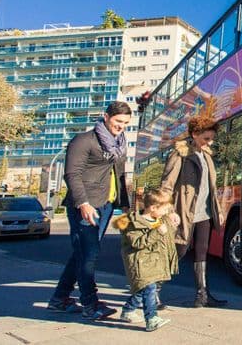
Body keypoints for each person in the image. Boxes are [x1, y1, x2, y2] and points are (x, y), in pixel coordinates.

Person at [47, 101, 131, 319]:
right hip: (86, 205)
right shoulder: (84, 141)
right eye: (118, 121)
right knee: (89, 255)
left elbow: (121, 176)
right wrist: (83, 203)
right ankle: (90, 304)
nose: (121, 126)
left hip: (107, 204)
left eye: (125, 123)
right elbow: (72, 174)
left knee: (82, 253)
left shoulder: (119, 144)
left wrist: (125, 205)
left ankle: (59, 299)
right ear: (105, 117)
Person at [161, 115, 227, 308]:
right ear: (194, 134)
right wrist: (168, 210)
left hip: (204, 213)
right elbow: (167, 185)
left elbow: (211, 187)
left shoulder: (206, 155)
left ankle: (202, 295)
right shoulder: (180, 153)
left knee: (202, 252)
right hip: (184, 213)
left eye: (212, 138)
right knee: (178, 252)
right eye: (207, 138)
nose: (210, 142)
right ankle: (152, 292)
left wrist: (218, 210)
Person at [115, 188, 179, 332]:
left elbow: (167, 237)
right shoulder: (133, 223)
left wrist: (173, 224)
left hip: (156, 262)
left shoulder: (160, 219)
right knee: (149, 288)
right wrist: (156, 232)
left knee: (142, 289)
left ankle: (128, 310)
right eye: (164, 209)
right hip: (141, 263)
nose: (166, 212)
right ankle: (151, 318)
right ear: (153, 208)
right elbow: (138, 243)